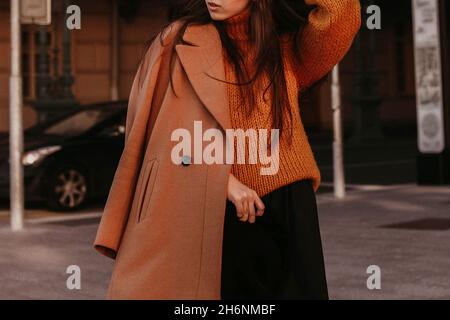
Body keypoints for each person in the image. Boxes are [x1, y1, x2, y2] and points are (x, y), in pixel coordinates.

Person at [94, 0, 361, 300]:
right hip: (211, 208)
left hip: (287, 203)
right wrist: (221, 181)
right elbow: (162, 136)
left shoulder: (285, 48)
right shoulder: (179, 40)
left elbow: (340, 13)